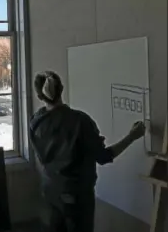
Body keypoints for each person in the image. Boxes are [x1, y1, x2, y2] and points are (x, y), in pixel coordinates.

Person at [30, 71, 146, 232]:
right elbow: (104, 157)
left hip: (49, 191)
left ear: (39, 96)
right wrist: (132, 136)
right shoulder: (80, 121)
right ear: (62, 88)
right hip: (76, 197)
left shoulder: (36, 121)